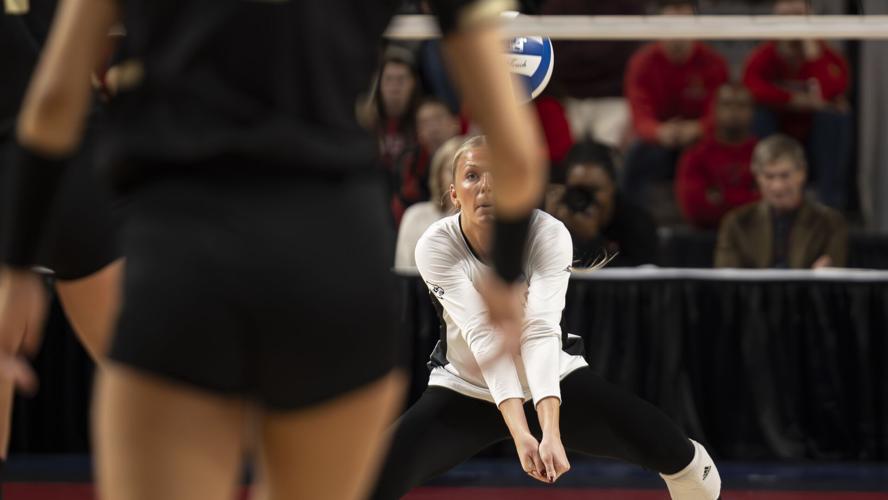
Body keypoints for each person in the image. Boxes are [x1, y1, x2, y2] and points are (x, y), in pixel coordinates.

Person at [0, 2, 547, 500]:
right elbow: (518, 152)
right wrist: (502, 275)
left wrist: (18, 264)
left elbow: (52, 105)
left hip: (185, 257)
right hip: (336, 256)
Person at [371, 136, 721, 500]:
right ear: (455, 194)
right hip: (465, 388)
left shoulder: (547, 233)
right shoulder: (436, 244)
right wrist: (521, 434)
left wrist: (550, 430)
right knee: (367, 481)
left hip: (553, 379)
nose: (486, 186)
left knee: (684, 460)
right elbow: (484, 336)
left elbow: (540, 333)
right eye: (472, 176)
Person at [742, 0, 851, 209]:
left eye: (798, 17)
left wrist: (813, 53)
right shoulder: (764, 55)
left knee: (835, 115)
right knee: (758, 114)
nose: (792, 24)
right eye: (785, 18)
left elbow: (833, 91)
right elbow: (751, 86)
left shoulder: (826, 56)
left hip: (814, 140)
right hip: (776, 133)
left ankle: (829, 203)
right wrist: (794, 100)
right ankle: (763, 198)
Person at [621, 0, 729, 210]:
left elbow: (719, 110)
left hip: (701, 139)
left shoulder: (713, 63)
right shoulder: (642, 63)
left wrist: (699, 128)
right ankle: (631, 220)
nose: (678, 33)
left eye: (684, 24)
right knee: (636, 155)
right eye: (670, 25)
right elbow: (639, 114)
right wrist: (659, 131)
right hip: (660, 140)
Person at [715, 134, 847, 269]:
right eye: (769, 176)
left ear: (802, 173)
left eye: (785, 176)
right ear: (757, 177)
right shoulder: (736, 224)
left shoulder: (829, 223)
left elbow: (833, 274)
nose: (777, 186)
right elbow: (727, 278)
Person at [546, 141, 658, 267]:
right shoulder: (559, 219)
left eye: (593, 190)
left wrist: (592, 241)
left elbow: (639, 274)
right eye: (578, 190)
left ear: (613, 187)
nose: (585, 199)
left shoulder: (637, 224)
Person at [676, 84, 760, 230]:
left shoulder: (763, 152)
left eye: (741, 105)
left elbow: (772, 205)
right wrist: (749, 197)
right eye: (727, 104)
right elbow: (695, 210)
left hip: (756, 234)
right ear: (714, 110)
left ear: (752, 111)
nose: (734, 111)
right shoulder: (696, 154)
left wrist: (722, 197)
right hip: (707, 236)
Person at [395, 135, 461, 269]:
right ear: (438, 175)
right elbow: (404, 273)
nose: (458, 178)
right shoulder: (415, 216)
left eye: (470, 173)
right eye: (451, 170)